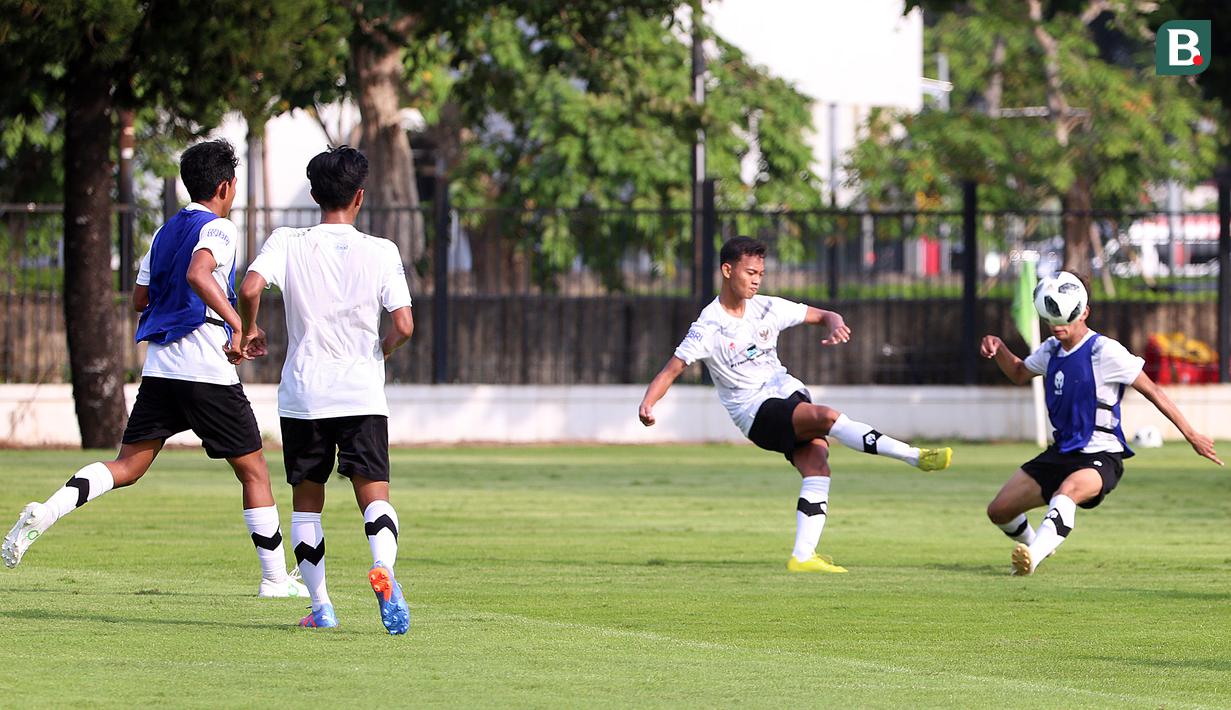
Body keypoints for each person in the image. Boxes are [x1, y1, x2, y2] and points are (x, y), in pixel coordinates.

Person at [2, 139, 306, 599]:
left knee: (127, 465)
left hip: (162, 368)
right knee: (255, 470)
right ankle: (274, 580)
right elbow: (199, 274)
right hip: (205, 368)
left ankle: (46, 511)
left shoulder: (164, 232)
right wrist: (238, 322)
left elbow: (141, 298)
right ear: (226, 186)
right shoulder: (220, 229)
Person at [638, 236, 953, 574]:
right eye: (750, 272)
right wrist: (648, 404)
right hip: (755, 412)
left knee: (818, 464)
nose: (757, 279)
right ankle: (914, 456)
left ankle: (803, 556)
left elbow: (823, 314)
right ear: (727, 271)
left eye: (760, 272)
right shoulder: (709, 326)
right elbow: (673, 368)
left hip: (788, 393)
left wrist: (835, 323)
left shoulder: (767, 307)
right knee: (826, 417)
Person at [237, 146, 414, 634]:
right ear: (360, 196)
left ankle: (322, 607)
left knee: (307, 504)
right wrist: (381, 350)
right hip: (361, 392)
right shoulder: (381, 250)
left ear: (314, 194)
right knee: (373, 495)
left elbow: (250, 288)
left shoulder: (288, 240)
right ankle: (386, 570)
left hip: (304, 394)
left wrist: (247, 330)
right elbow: (403, 323)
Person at [981, 275, 1222, 576]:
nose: (1058, 323)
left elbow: (1154, 391)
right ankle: (1038, 543)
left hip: (1101, 455)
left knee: (1066, 493)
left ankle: (1033, 555)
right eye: (1051, 314)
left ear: (1084, 312)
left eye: (1067, 314)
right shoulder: (1051, 350)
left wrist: (1192, 435)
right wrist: (999, 346)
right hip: (1061, 453)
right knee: (999, 510)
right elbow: (1018, 373)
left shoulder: (1104, 351)